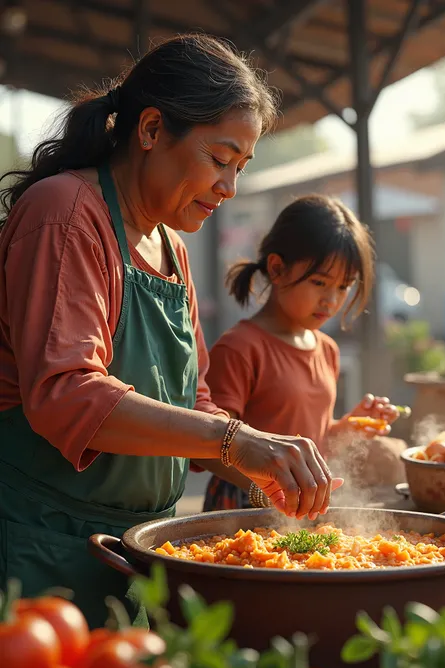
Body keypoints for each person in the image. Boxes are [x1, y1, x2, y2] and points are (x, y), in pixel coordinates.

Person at [0, 35, 340, 628]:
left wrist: (271, 472)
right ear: (152, 129)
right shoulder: (66, 214)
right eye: (219, 158)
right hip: (43, 546)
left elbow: (193, 401)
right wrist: (237, 440)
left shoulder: (169, 248)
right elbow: (67, 393)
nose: (229, 188)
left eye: (241, 167)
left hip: (139, 549)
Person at [198, 194, 399, 511]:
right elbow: (209, 445)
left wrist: (347, 428)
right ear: (277, 269)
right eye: (320, 282)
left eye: (344, 286)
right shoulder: (241, 347)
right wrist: (263, 489)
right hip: (243, 503)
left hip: (301, 504)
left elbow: (313, 439)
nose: (331, 300)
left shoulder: (327, 350)